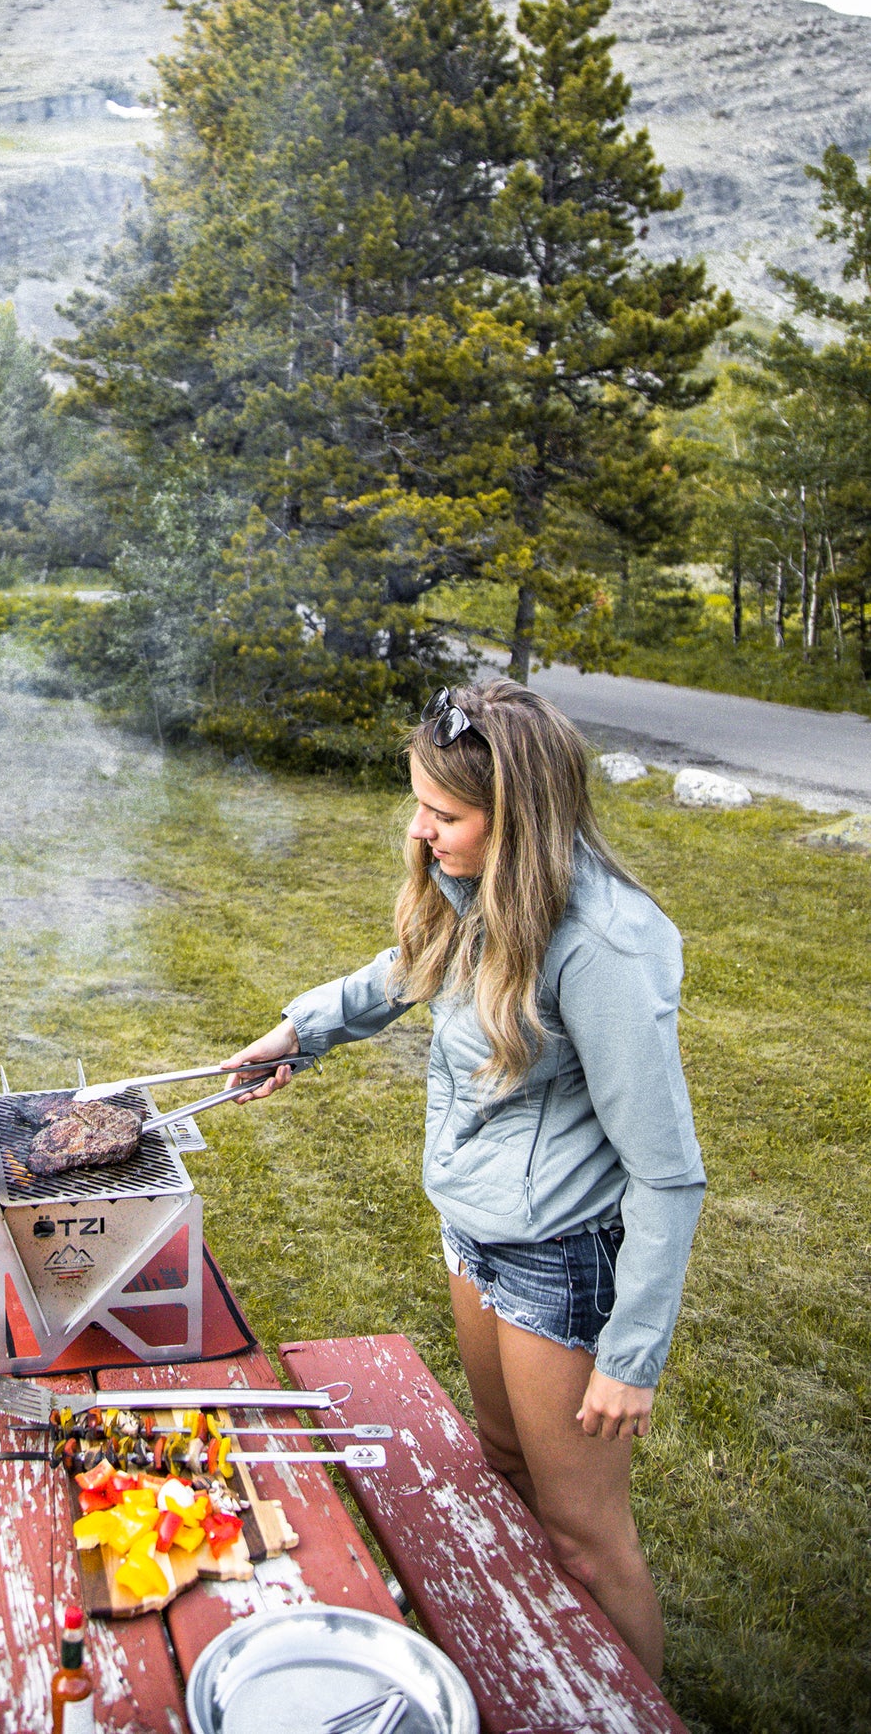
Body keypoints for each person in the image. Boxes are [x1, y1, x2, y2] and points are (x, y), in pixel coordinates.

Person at [224, 678, 704, 1678]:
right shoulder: (483, 893)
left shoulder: (603, 949)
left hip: (558, 1260)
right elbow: (410, 966)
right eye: (420, 805)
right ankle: (555, 1675)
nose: (419, 831)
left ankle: (634, 1706)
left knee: (585, 1535)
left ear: (517, 818)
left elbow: (669, 1177)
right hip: (474, 1234)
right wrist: (299, 1032)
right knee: (504, 1467)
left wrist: (632, 1353)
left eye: (443, 815)